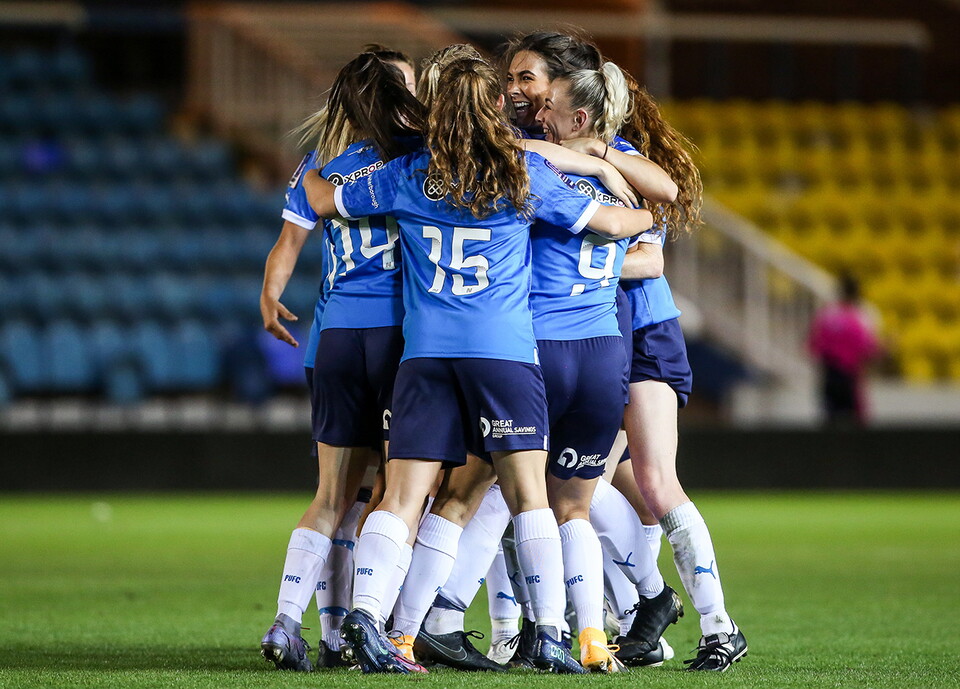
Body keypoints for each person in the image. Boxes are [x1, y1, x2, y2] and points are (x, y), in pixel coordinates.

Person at [302, 56, 654, 674]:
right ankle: (548, 635)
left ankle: (369, 620)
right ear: (495, 108)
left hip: (426, 356)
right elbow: (609, 221)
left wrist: (310, 172)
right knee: (528, 498)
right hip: (504, 356)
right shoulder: (522, 171)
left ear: (435, 110)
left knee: (405, 496)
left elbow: (325, 201)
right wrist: (646, 213)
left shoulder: (408, 174)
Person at [257, 50, 424, 672]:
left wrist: (270, 297)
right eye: (409, 82)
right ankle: (372, 625)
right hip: (400, 338)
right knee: (393, 492)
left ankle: (298, 625)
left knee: (333, 496)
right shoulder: (419, 156)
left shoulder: (319, 167)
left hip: (332, 338)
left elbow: (287, 244)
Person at [608, 80, 749, 672]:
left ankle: (715, 624)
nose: (528, 100)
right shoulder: (549, 154)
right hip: (593, 336)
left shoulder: (622, 163)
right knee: (585, 485)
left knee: (653, 482)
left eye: (536, 86)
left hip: (642, 331)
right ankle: (641, 615)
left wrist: (573, 267)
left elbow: (650, 259)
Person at [808, 273, 880, 426]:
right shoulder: (863, 316)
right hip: (850, 374)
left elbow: (814, 345)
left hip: (830, 373)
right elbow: (868, 349)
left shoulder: (827, 314)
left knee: (830, 418)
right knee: (856, 419)